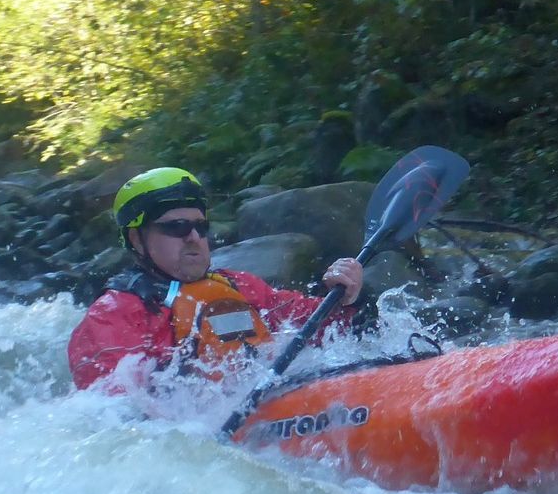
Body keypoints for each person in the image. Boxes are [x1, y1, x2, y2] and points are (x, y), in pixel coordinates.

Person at [67, 167, 364, 391]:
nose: (193, 237)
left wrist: (344, 296)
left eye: (201, 226)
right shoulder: (111, 317)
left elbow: (328, 330)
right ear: (137, 239)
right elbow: (117, 418)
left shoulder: (240, 287)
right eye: (177, 227)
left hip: (275, 406)